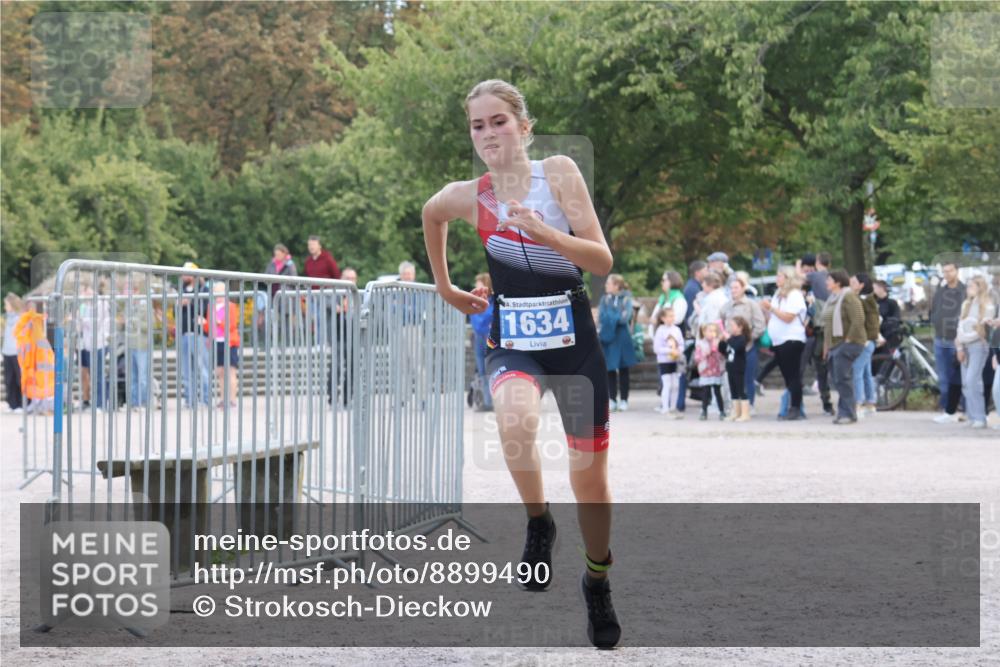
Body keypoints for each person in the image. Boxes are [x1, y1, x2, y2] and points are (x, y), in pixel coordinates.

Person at [421, 79, 619, 647]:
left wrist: (543, 231)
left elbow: (601, 261)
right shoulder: (471, 194)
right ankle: (538, 521)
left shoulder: (558, 173)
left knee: (593, 485)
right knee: (513, 419)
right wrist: (446, 287)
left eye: (498, 122)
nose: (488, 134)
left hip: (574, 343)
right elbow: (431, 214)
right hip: (515, 339)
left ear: (524, 126)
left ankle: (598, 578)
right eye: (477, 126)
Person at [761, 266, 807, 420]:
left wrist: (771, 308)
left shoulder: (794, 295)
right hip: (779, 340)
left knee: (793, 375)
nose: (777, 278)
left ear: (788, 278)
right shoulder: (778, 294)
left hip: (791, 338)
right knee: (787, 376)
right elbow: (775, 316)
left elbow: (788, 317)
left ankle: (795, 407)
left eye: (780, 276)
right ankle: (793, 406)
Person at [822, 270, 866, 424]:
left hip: (848, 344)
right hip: (835, 344)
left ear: (838, 282)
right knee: (838, 379)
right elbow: (827, 325)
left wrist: (848, 339)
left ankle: (848, 414)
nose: (826, 282)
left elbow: (859, 318)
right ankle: (844, 412)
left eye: (829, 280)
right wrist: (827, 347)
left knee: (843, 379)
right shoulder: (833, 298)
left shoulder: (848, 296)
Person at [954, 275, 995, 429]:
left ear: (980, 287)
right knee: (965, 382)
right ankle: (971, 415)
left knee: (973, 380)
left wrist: (965, 339)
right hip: (963, 346)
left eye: (971, 286)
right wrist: (959, 346)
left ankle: (980, 417)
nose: (968, 289)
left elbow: (980, 332)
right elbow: (960, 326)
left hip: (978, 346)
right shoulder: (966, 304)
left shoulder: (988, 306)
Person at [721, 274, 765, 409]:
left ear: (743, 288)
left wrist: (747, 339)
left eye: (736, 287)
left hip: (747, 348)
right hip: (731, 350)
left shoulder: (751, 305)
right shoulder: (726, 306)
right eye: (731, 288)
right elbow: (719, 323)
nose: (733, 290)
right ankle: (735, 406)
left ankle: (749, 405)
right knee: (732, 379)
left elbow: (760, 325)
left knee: (748, 378)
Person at [798, 252, 833, 415]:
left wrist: (798, 265)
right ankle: (827, 403)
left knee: (813, 366)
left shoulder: (814, 277)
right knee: (824, 367)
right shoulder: (830, 278)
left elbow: (798, 278)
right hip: (823, 329)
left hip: (815, 330)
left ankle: (798, 404)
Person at [930, 262, 965, 423]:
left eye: (950, 270)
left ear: (957, 271)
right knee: (943, 376)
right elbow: (934, 310)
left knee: (960, 375)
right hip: (939, 337)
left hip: (956, 339)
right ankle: (947, 409)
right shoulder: (940, 291)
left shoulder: (964, 291)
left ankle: (965, 408)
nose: (947, 274)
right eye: (944, 271)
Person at [599, 274, 637, 413]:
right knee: (609, 369)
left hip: (622, 337)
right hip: (609, 337)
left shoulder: (626, 298)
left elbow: (625, 318)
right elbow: (602, 317)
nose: (606, 285)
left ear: (616, 285)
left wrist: (611, 315)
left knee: (623, 368)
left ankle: (624, 400)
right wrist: (616, 315)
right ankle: (612, 399)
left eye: (609, 283)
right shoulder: (604, 299)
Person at [177, 264, 212, 408]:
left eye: (186, 273)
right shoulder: (182, 290)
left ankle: (205, 399)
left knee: (202, 368)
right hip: (184, 333)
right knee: (186, 371)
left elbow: (203, 310)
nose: (184, 276)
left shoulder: (204, 289)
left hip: (198, 334)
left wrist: (189, 303)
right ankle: (189, 400)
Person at [204, 282, 241, 408]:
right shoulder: (211, 307)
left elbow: (232, 325)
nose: (218, 295)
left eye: (220, 292)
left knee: (230, 371)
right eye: (216, 292)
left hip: (229, 342)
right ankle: (223, 399)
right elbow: (209, 327)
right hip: (217, 341)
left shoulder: (230, 306)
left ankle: (232, 399)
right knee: (220, 371)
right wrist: (203, 323)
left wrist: (219, 322)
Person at [76, 283, 112, 409]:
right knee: (92, 374)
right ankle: (94, 402)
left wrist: (81, 319)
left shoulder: (101, 303)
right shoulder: (84, 305)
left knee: (99, 374)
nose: (84, 294)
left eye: (85, 291)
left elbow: (95, 323)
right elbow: (79, 326)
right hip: (87, 344)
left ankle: (101, 403)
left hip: (100, 343)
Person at [850, 272, 879, 417]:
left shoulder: (863, 301)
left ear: (861, 285)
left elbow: (869, 322)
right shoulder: (869, 299)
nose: (851, 284)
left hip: (864, 342)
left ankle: (858, 404)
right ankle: (870, 403)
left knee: (857, 371)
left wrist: (866, 338)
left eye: (854, 282)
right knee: (866, 373)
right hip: (869, 341)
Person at [469, 272, 495, 411]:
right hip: (478, 336)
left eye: (479, 284)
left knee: (490, 370)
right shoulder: (475, 300)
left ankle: (491, 401)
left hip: (488, 336)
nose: (476, 287)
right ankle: (487, 401)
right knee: (482, 370)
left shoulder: (492, 301)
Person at [652, 306, 684, 418]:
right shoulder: (660, 330)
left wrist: (678, 351)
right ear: (663, 318)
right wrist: (670, 350)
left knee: (676, 385)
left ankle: (673, 407)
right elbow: (657, 348)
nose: (672, 318)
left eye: (673, 316)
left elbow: (681, 344)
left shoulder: (677, 330)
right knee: (667, 384)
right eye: (669, 316)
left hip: (676, 361)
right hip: (664, 361)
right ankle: (665, 408)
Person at [721, 316, 752, 422]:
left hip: (739, 368)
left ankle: (745, 413)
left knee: (741, 390)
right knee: (733, 391)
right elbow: (723, 350)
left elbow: (736, 347)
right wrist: (722, 341)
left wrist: (728, 339)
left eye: (732, 326)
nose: (730, 328)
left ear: (740, 327)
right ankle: (736, 412)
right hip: (730, 367)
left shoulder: (742, 339)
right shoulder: (731, 339)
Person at [694, 322, 726, 420]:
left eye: (714, 331)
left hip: (716, 370)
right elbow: (697, 358)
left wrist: (718, 351)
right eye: (710, 331)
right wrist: (706, 353)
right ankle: (704, 411)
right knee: (705, 392)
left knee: (717, 391)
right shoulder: (700, 343)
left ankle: (721, 411)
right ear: (704, 332)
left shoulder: (717, 342)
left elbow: (723, 356)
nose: (712, 333)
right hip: (705, 370)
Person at [2, 293, 25, 412]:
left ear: (12, 304)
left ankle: (21, 404)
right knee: (8, 379)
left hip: (17, 352)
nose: (5, 306)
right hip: (7, 352)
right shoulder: (6, 318)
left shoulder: (21, 318)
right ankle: (12, 404)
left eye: (6, 304)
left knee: (19, 379)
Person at [872, 279, 903, 353]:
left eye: (874, 288)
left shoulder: (892, 303)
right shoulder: (873, 303)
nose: (872, 290)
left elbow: (896, 318)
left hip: (888, 336)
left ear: (881, 288)